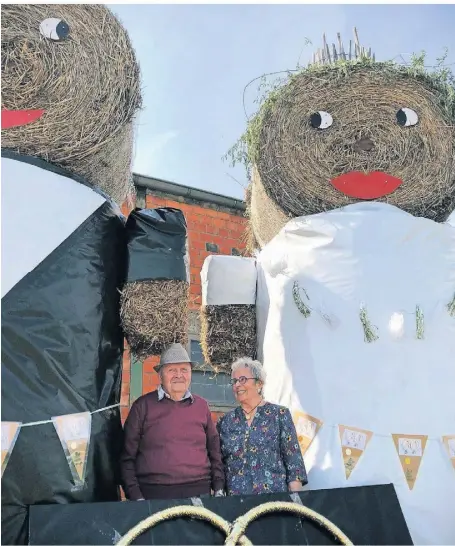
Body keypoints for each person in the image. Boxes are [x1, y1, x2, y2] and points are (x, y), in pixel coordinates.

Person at [120, 343, 225, 500]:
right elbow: (126, 457)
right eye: (172, 370)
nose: (179, 375)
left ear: (190, 374)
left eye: (184, 370)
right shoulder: (142, 407)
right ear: (160, 375)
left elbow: (214, 450)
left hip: (199, 494)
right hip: (154, 496)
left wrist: (218, 489)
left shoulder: (201, 406)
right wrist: (136, 498)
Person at [217, 357, 307, 496]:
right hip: (236, 503)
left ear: (259, 383)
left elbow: (293, 461)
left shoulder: (279, 414)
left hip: (274, 502)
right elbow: (219, 464)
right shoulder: (225, 421)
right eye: (234, 381)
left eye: (242, 379)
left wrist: (295, 502)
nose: (237, 385)